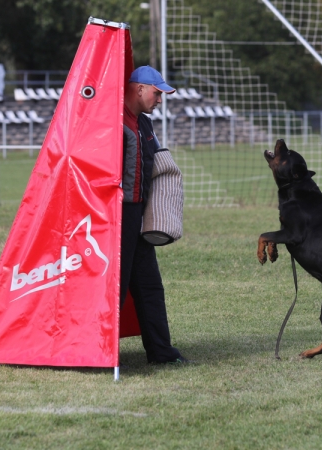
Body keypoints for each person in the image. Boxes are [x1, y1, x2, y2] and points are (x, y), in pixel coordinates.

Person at [120, 65, 189, 364]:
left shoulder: (144, 124)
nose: (160, 99)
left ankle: (161, 352)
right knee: (116, 287)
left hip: (138, 216)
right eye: (157, 92)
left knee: (149, 285)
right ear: (138, 89)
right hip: (116, 218)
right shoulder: (112, 121)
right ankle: (99, 351)